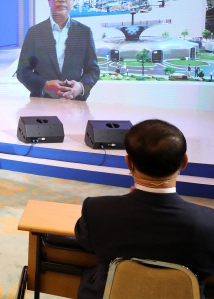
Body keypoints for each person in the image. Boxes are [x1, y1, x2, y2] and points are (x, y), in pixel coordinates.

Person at [74, 119, 214, 299]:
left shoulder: (97, 210)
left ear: (128, 163)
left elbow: (85, 242)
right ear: (184, 162)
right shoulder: (209, 223)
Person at [17, 0, 100, 101]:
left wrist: (81, 87)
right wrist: (44, 85)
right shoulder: (34, 32)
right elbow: (23, 71)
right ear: (49, 0)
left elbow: (93, 70)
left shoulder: (84, 32)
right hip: (42, 103)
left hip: (74, 104)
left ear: (73, 0)